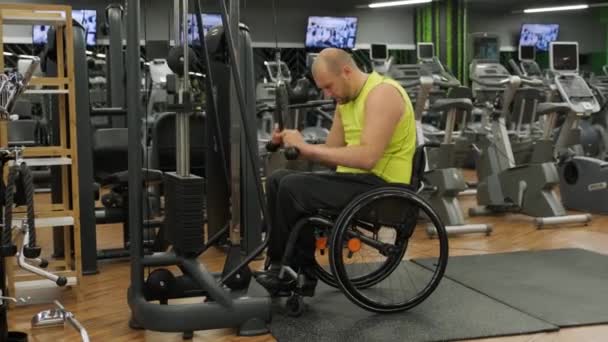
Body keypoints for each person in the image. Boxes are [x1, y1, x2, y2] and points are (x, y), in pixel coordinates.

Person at [255, 48, 417, 296]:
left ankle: (298, 273)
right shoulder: (346, 101)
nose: (327, 94)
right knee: (278, 179)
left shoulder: (383, 94)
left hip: (383, 186)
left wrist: (307, 149)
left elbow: (367, 158)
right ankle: (280, 265)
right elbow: (331, 151)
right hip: (354, 181)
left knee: (293, 187)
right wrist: (295, 143)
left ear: (347, 71)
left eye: (329, 87)